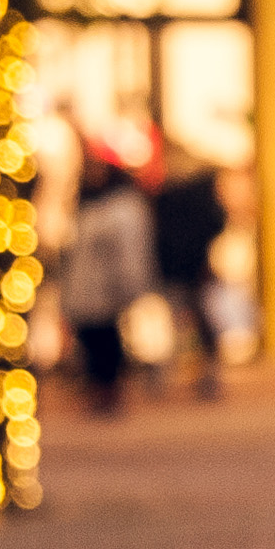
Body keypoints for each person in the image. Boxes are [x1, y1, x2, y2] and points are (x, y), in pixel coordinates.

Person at [62, 153, 156, 415]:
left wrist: (128, 284)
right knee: (91, 340)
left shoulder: (123, 208)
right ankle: (99, 390)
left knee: (106, 341)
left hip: (106, 289)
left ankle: (109, 391)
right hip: (86, 289)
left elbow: (130, 251)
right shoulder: (89, 204)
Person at [155, 156, 227, 399]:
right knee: (195, 319)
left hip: (182, 267)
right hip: (190, 267)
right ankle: (197, 371)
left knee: (185, 319)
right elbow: (217, 223)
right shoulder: (196, 195)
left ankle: (188, 372)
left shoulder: (169, 196)